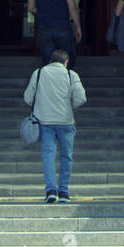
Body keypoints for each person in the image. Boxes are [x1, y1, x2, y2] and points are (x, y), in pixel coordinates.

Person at [23, 49, 87, 203]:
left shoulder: (39, 73)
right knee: (67, 157)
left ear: (50, 61)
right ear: (65, 62)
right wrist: (70, 106)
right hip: (66, 122)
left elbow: (27, 98)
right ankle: (64, 192)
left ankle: (51, 190)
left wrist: (40, 105)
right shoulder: (71, 75)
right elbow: (81, 98)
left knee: (48, 156)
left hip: (45, 122)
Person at [27, 0, 82, 69]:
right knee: (67, 60)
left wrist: (42, 11)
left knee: (48, 63)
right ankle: (65, 83)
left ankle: (50, 85)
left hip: (44, 28)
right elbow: (72, 8)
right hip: (63, 27)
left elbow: (30, 8)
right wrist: (78, 27)